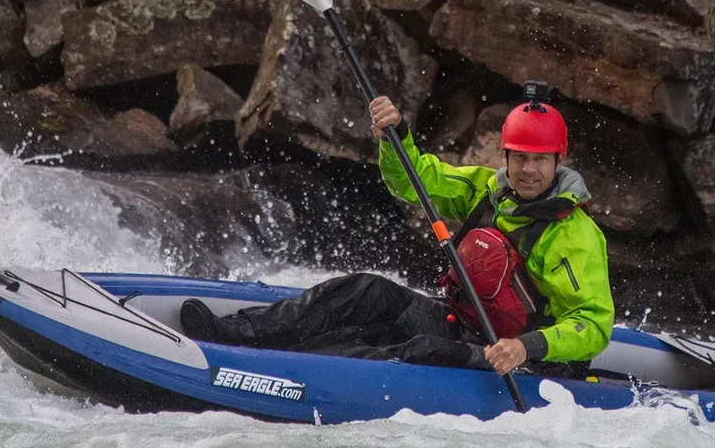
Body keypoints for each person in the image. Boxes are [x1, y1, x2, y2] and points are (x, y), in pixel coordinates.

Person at [180, 82, 614, 378]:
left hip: (522, 360)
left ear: (559, 160)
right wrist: (396, 137)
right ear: (506, 155)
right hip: (467, 326)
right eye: (520, 157)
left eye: (540, 160)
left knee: (418, 352)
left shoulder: (574, 234)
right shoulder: (486, 190)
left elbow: (593, 325)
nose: (529, 170)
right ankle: (239, 333)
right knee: (368, 291)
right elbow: (412, 180)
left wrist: (528, 348)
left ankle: (291, 368)